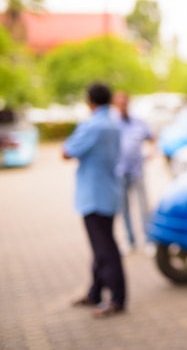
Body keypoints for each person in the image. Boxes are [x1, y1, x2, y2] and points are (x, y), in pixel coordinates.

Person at [63, 82, 126, 318]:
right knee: (102, 246)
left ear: (89, 101)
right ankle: (95, 292)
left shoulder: (92, 125)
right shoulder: (114, 122)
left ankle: (117, 299)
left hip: (94, 195)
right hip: (109, 191)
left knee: (105, 249)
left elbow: (66, 151)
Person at [112, 90, 155, 251]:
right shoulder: (112, 123)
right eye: (119, 101)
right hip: (120, 171)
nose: (122, 104)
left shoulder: (138, 122)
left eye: (124, 101)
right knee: (124, 208)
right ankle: (130, 241)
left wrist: (151, 152)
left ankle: (149, 240)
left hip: (137, 169)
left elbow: (152, 137)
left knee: (144, 206)